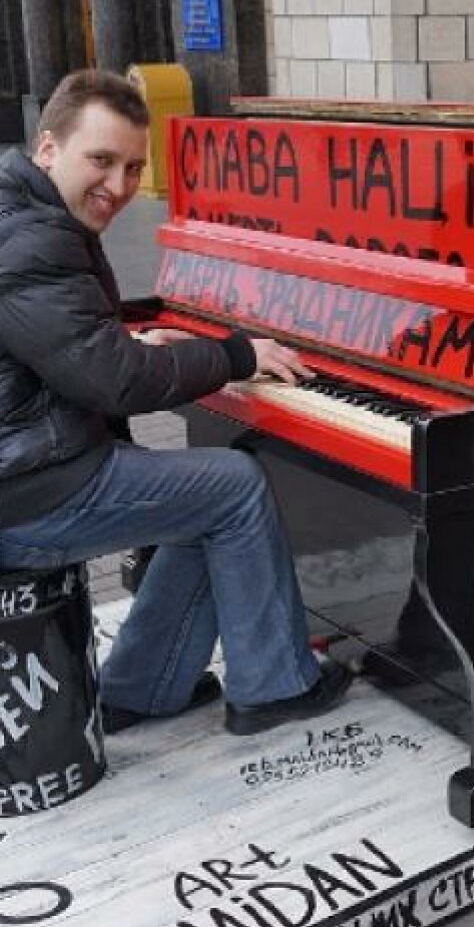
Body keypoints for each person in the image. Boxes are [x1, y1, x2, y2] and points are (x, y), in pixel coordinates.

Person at [0, 70, 351, 738]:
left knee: (201, 499)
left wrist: (132, 337)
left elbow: (59, 341)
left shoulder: (24, 210)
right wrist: (237, 354)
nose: (120, 185)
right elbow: (117, 382)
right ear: (48, 148)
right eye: (100, 161)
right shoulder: (34, 237)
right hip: (30, 489)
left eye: (134, 167)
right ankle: (274, 685)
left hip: (24, 467)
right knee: (235, 488)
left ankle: (143, 685)